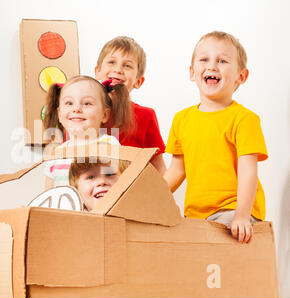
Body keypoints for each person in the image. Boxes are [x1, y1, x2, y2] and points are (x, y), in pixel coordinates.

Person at [163, 31, 268, 244]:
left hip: (232, 211)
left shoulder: (244, 119)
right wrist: (148, 196)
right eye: (204, 59)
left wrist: (241, 215)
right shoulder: (182, 119)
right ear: (192, 72)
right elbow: (177, 170)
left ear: (242, 76)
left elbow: (248, 169)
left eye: (222, 61)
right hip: (195, 215)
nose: (212, 66)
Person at [42, 75, 131, 189]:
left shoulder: (109, 144)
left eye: (87, 103)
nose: (76, 109)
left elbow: (123, 186)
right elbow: (48, 195)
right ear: (59, 114)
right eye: (69, 103)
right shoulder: (56, 155)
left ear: (104, 115)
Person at [94, 36, 166, 175]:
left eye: (127, 65)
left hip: (134, 193)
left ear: (138, 81)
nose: (118, 69)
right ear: (98, 71)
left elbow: (159, 168)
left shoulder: (146, 116)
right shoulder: (82, 114)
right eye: (111, 62)